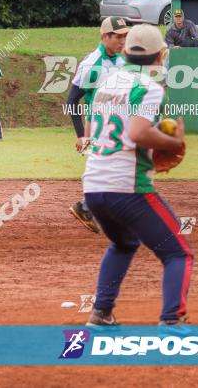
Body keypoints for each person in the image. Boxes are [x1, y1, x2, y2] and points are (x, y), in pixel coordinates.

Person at [82, 23, 192, 329]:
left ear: (126, 52)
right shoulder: (150, 87)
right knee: (178, 253)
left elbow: (94, 127)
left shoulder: (108, 82)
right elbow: (137, 132)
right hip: (126, 186)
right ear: (161, 57)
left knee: (124, 243)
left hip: (93, 184)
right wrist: (174, 143)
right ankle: (173, 320)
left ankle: (101, 313)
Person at [68, 16, 130, 233]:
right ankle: (89, 206)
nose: (123, 40)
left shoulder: (123, 61)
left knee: (115, 169)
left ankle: (87, 206)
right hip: (99, 125)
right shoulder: (92, 64)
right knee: (112, 168)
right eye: (118, 36)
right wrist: (80, 135)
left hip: (119, 122)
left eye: (125, 36)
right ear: (105, 36)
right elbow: (72, 101)